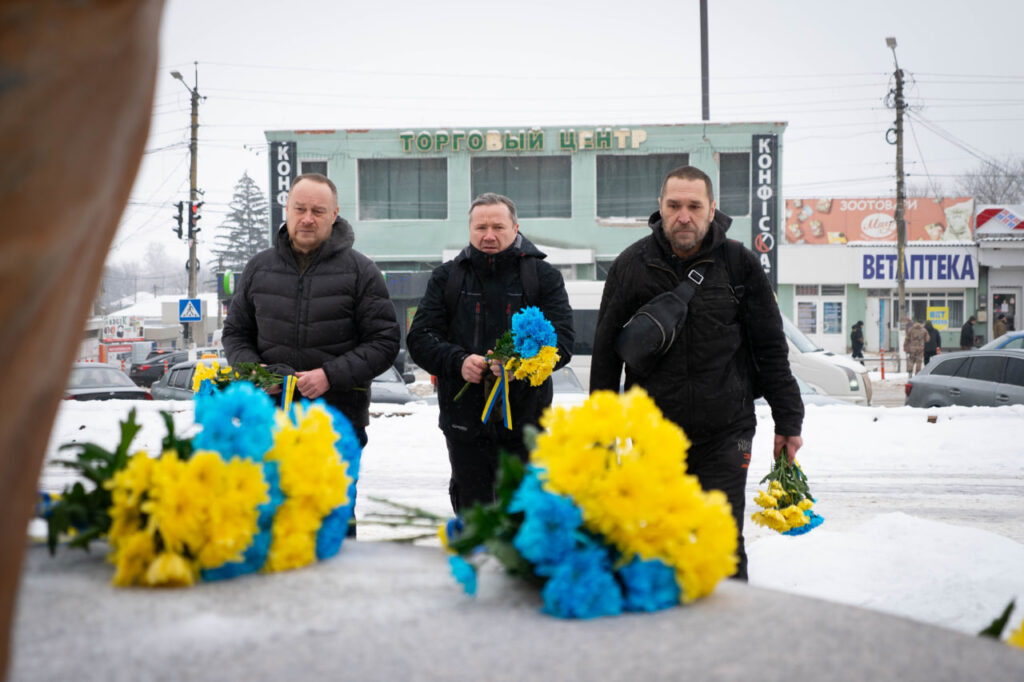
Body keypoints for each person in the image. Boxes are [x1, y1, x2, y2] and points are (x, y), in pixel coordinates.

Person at [589, 166, 804, 581]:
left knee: (721, 542)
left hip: (726, 430)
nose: (683, 216)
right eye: (674, 206)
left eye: (693, 206)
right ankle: (666, 635)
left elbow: (771, 349)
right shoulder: (631, 266)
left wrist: (788, 420)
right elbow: (605, 355)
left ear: (712, 210)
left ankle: (726, 637)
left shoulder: (740, 266)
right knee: (658, 541)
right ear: (660, 208)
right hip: (652, 433)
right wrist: (601, 429)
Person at [223, 173, 401, 532]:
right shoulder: (259, 268)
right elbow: (235, 334)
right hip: (269, 421)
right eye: (300, 208)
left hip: (337, 422)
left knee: (332, 524)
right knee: (270, 522)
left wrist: (329, 376)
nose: (307, 218)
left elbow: (384, 342)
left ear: (334, 214)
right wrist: (258, 375)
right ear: (286, 210)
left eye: (318, 211)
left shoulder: (360, 271)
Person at [407, 193, 574, 513]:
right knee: (473, 515)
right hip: (463, 421)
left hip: (526, 420)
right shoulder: (447, 277)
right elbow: (420, 339)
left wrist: (521, 366)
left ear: (516, 228)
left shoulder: (543, 276)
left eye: (498, 227)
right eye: (480, 227)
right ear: (469, 230)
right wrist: (458, 362)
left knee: (523, 513)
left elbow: (563, 342)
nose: (489, 235)